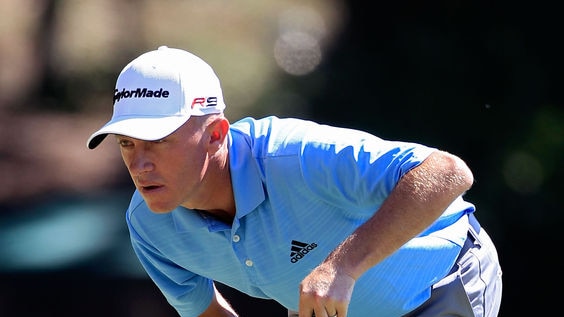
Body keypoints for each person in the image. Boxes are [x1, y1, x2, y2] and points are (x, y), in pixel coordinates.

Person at [86, 45, 502, 317]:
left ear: (215, 134)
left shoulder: (296, 155)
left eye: (158, 141)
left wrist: (341, 267)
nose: (139, 164)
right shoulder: (148, 224)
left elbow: (448, 172)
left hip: (442, 286)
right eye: (126, 143)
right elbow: (205, 311)